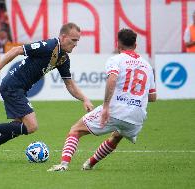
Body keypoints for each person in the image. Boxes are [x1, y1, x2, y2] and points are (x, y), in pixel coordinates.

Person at [0, 22, 94, 162]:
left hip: (19, 88)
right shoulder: (48, 46)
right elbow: (15, 50)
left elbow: (70, 84)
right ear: (63, 36)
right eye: (73, 40)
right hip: (13, 85)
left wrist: (84, 99)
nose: (75, 44)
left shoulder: (63, 58)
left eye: (77, 41)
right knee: (31, 126)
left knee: (16, 127)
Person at [47, 28, 157, 172]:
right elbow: (153, 97)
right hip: (137, 117)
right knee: (117, 136)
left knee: (75, 130)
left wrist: (105, 107)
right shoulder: (147, 65)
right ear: (135, 45)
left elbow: (112, 79)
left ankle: (63, 165)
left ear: (118, 45)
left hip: (116, 110)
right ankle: (89, 164)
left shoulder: (116, 59)